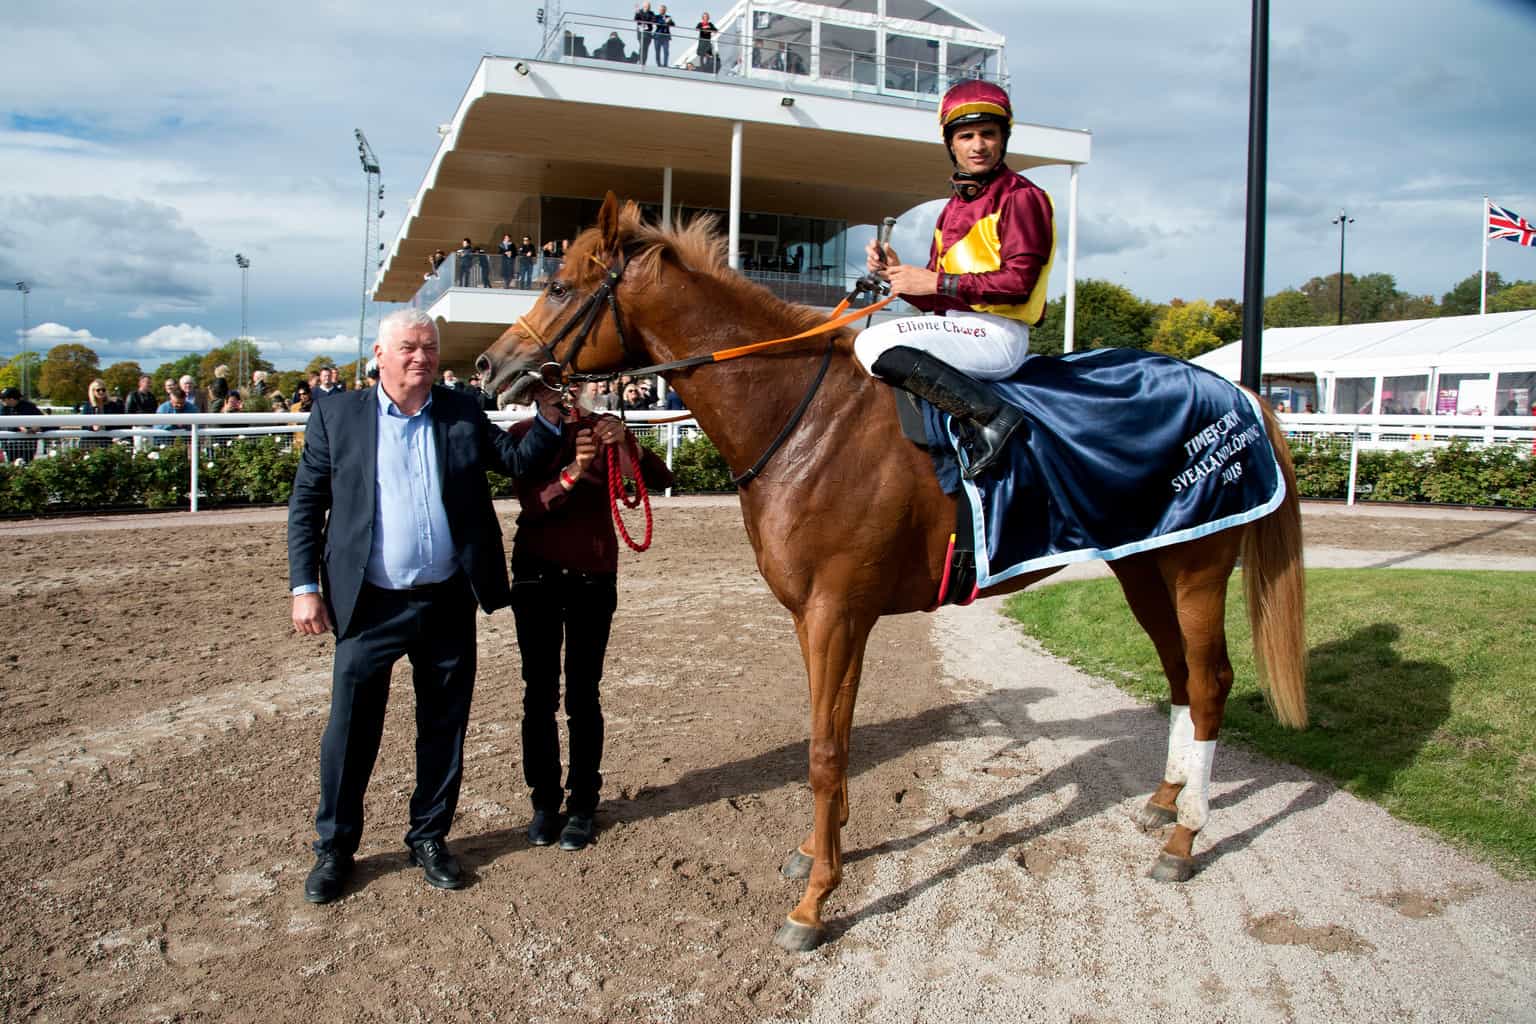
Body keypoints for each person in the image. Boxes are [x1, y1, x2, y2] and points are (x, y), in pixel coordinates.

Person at [287, 307, 570, 904]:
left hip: (447, 599)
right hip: (368, 606)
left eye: (431, 349)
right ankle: (335, 848)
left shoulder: (461, 409)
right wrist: (304, 587)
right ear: (380, 356)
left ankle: (430, 836)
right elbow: (307, 506)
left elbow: (516, 461)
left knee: (444, 726)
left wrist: (548, 414)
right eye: (410, 347)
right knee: (350, 730)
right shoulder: (337, 414)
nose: (422, 358)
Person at [853, 80, 1054, 480]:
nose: (978, 145)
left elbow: (1019, 283)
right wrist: (900, 274)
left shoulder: (1022, 197)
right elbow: (939, 300)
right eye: (966, 136)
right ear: (952, 144)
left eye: (988, 134)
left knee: (872, 340)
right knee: (862, 341)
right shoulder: (951, 210)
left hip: (999, 336)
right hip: (959, 328)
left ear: (1003, 139)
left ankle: (993, 419)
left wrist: (936, 283)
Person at [507, 402, 672, 850]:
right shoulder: (525, 433)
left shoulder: (606, 431)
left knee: (584, 693)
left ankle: (582, 804)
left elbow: (657, 481)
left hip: (592, 575)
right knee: (539, 693)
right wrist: (575, 470)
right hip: (536, 575)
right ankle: (544, 803)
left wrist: (625, 443)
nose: (568, 395)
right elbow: (532, 502)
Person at [1, 386, 44, 461]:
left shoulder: (29, 407)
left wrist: (37, 427)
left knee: (26, 465)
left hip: (27, 445)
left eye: (3, 399)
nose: (2, 401)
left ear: (12, 399)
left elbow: (45, 422)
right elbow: (3, 425)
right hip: (10, 445)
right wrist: (19, 427)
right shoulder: (4, 409)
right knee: (13, 466)